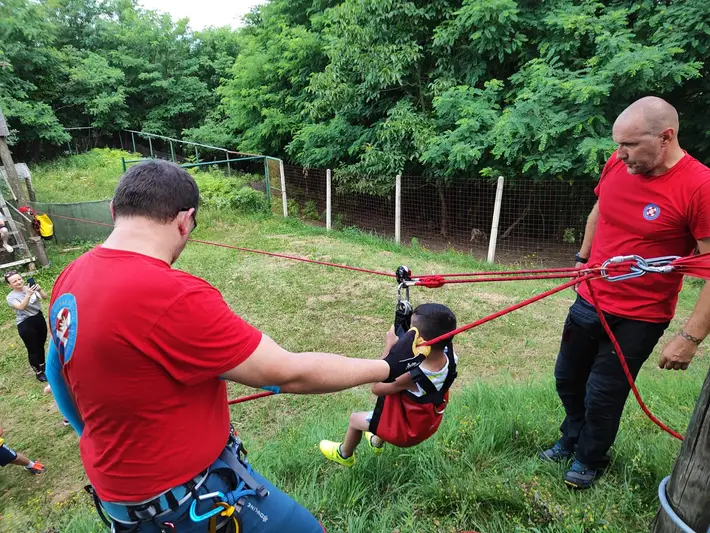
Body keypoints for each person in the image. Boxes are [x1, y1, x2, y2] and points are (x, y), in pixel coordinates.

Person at [45, 159, 427, 533]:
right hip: (187, 501)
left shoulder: (71, 276)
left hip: (124, 502)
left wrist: (96, 437)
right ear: (185, 220)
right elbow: (287, 374)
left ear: (114, 210)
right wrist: (388, 366)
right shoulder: (170, 295)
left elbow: (56, 373)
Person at [541, 96, 710, 490]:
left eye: (630, 145)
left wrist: (690, 338)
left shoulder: (700, 187)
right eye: (618, 144)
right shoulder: (619, 163)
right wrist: (582, 258)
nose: (620, 154)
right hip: (590, 297)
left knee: (604, 392)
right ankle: (572, 436)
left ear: (666, 137)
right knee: (567, 378)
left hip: (641, 316)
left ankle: (589, 458)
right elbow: (601, 210)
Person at [319, 303, 458, 467]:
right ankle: (376, 442)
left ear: (421, 340)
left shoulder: (412, 375)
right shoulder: (450, 356)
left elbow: (377, 388)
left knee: (355, 419)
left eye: (412, 330)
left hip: (405, 430)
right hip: (426, 421)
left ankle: (344, 454)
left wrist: (389, 346)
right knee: (389, 407)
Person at [5, 270, 48, 382]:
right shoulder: (10, 297)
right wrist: (28, 294)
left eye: (19, 279)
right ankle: (38, 372)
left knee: (41, 344)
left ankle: (43, 365)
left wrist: (39, 290)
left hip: (38, 317)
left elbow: (45, 297)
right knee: (33, 349)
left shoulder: (30, 287)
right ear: (9, 285)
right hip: (26, 323)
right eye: (14, 281)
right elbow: (21, 307)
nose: (18, 282)